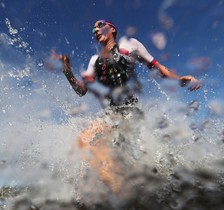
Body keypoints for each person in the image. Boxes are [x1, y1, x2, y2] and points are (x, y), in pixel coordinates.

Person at [51, 19, 201, 193]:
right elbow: (81, 90)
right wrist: (67, 70)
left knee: (136, 161)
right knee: (83, 143)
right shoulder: (94, 60)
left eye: (100, 25)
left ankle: (145, 192)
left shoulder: (131, 45)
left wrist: (181, 79)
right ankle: (114, 194)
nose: (95, 30)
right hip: (109, 114)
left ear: (112, 29)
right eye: (93, 29)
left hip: (131, 112)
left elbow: (158, 67)